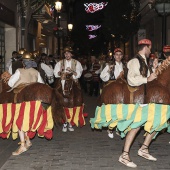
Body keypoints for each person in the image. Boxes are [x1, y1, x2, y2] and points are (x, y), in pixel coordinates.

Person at [119, 39, 157, 168]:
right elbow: (131, 79)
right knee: (135, 127)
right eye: (150, 48)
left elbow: (150, 78)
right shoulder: (135, 61)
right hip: (138, 99)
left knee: (156, 122)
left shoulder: (145, 61)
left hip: (147, 98)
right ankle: (124, 155)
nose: (150, 50)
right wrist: (147, 78)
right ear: (146, 47)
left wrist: (154, 69)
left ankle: (144, 148)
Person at [8, 51, 44, 155]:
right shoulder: (36, 72)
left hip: (21, 101)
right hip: (33, 102)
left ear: (23, 62)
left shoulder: (19, 71)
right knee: (26, 121)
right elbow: (41, 84)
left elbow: (10, 83)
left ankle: (23, 145)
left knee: (19, 122)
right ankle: (28, 141)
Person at [54, 47, 83, 132]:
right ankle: (64, 121)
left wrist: (72, 70)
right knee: (57, 91)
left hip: (73, 80)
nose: (67, 55)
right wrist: (60, 71)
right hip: (63, 80)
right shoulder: (60, 62)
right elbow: (55, 74)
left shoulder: (76, 62)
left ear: (71, 54)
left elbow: (78, 74)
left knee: (78, 93)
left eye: (68, 53)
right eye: (65, 53)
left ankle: (71, 121)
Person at [100, 48, 125, 138]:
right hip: (112, 85)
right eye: (116, 55)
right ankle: (110, 126)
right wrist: (109, 71)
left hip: (123, 86)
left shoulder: (125, 65)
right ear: (114, 56)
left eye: (120, 55)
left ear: (122, 56)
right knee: (112, 107)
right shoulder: (109, 65)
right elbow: (102, 77)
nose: (118, 56)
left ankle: (120, 127)